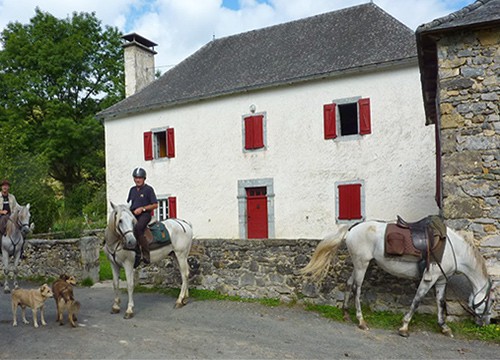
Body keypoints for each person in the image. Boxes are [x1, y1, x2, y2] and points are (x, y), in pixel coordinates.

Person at [127, 167, 158, 265]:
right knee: (125, 228)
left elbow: (155, 204)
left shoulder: (148, 189)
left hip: (144, 215)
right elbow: (129, 203)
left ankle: (145, 254)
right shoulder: (132, 190)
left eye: (140, 178)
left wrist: (142, 209)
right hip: (133, 214)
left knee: (138, 228)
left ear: (144, 178)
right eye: (136, 178)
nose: (138, 180)